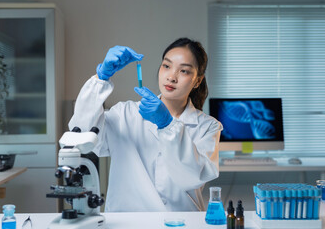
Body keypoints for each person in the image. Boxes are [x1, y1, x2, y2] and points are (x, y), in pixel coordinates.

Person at [68, 37, 223, 212]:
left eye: (184, 71)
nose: (171, 77)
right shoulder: (125, 114)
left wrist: (167, 126)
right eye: (166, 66)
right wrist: (101, 78)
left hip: (181, 222)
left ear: (197, 81)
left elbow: (192, 177)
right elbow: (81, 134)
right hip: (128, 223)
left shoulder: (208, 127)